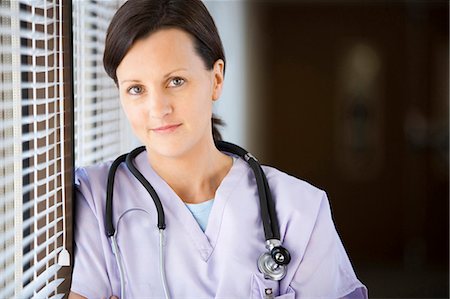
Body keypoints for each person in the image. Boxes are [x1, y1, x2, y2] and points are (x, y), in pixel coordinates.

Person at [69, 0, 368, 298]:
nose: (157, 108)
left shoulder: (298, 210)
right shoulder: (95, 200)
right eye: (136, 89)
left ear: (216, 79)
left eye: (175, 81)